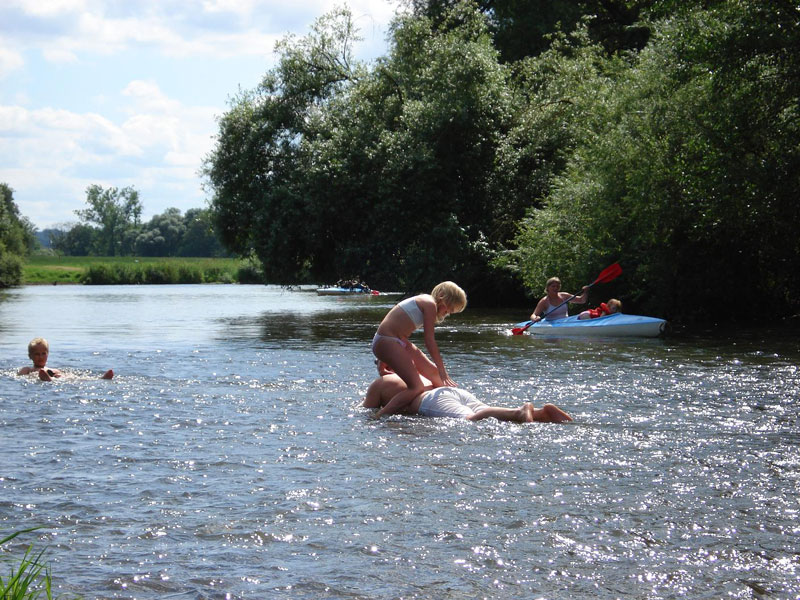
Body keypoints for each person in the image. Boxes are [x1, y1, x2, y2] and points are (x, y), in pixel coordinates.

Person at [371, 281, 467, 418]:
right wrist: (442, 369)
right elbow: (429, 341)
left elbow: (394, 323)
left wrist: (382, 360)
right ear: (442, 297)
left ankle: (452, 405)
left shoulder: (427, 303)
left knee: (435, 376)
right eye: (448, 309)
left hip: (395, 340)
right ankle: (378, 417)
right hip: (387, 341)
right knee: (416, 387)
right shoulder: (429, 304)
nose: (447, 314)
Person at [363, 362, 572, 423]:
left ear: (383, 366)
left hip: (430, 401)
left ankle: (521, 411)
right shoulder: (417, 374)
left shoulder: (382, 381)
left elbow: (367, 409)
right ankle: (541, 413)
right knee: (486, 410)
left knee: (470, 418)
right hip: (450, 392)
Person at [18, 337, 114, 381]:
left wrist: (60, 376)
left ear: (48, 354)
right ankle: (46, 379)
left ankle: (99, 379)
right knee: (38, 374)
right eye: (37, 354)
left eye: (43, 354)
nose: (41, 357)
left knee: (70, 377)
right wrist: (30, 376)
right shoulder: (27, 369)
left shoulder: (53, 370)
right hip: (38, 376)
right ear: (30, 356)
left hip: (52, 376)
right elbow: (20, 377)